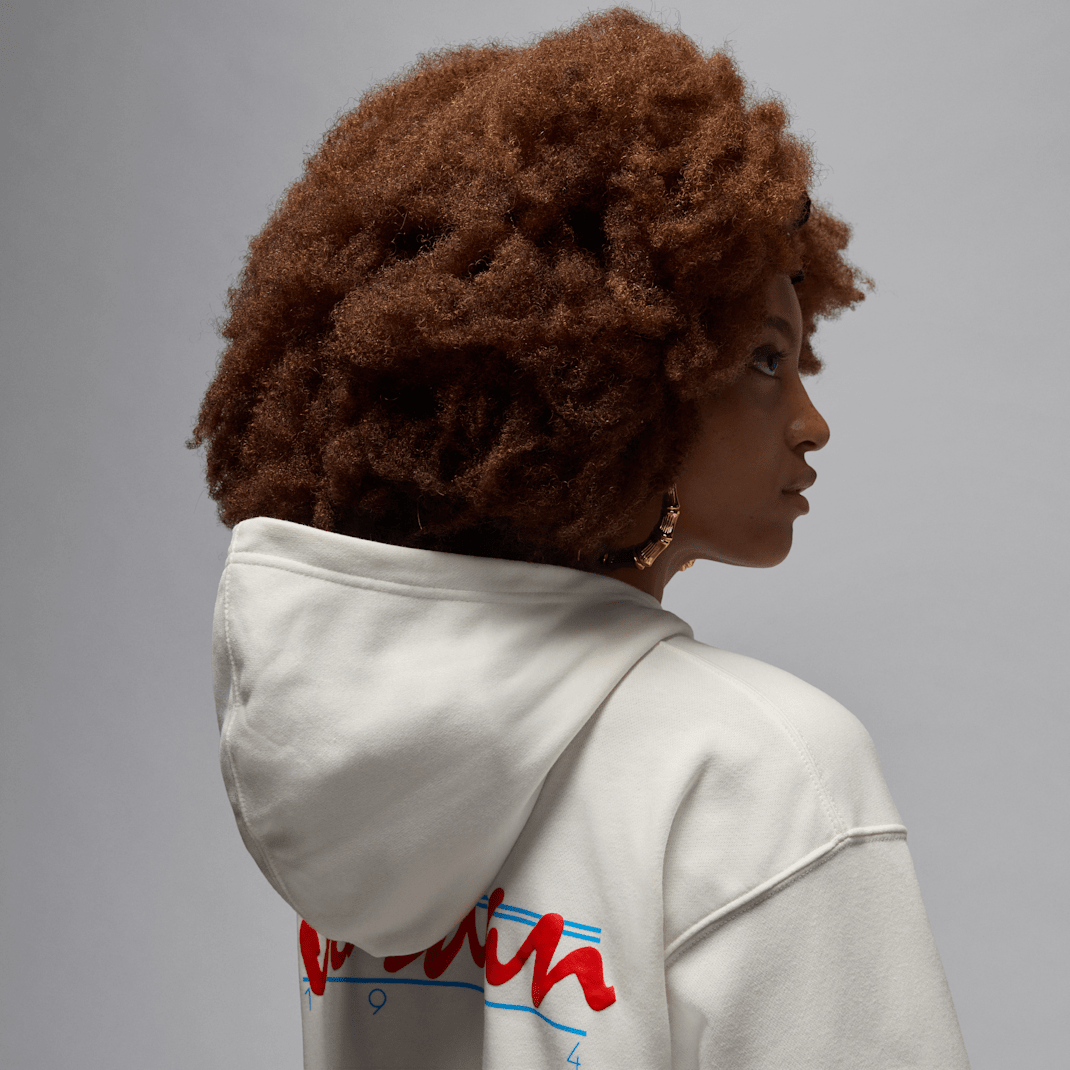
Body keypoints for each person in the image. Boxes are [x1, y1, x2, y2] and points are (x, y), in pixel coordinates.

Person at [191, 9, 971, 1067]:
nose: (811, 422)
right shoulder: (758, 766)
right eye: (763, 361)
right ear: (614, 386)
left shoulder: (364, 770)